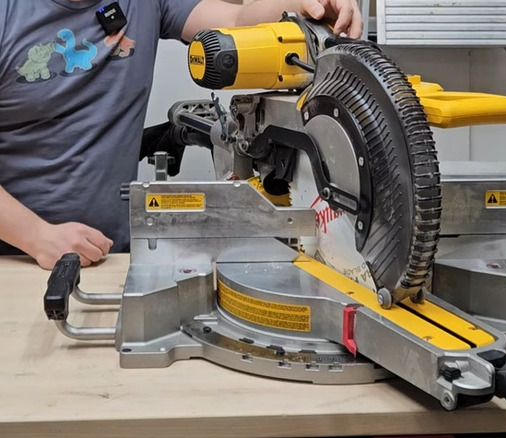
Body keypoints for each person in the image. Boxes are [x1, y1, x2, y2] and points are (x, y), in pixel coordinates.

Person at [0, 0, 362, 269]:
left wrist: (307, 4)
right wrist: (38, 237)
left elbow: (235, 21)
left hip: (110, 257)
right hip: (17, 260)